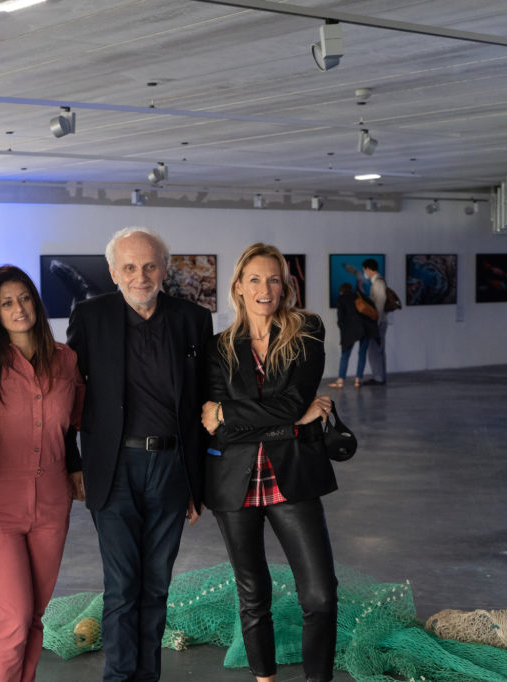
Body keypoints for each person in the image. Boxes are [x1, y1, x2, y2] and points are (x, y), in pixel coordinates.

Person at [66, 226, 213, 682]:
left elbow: (205, 400)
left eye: (150, 265)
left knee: (156, 586)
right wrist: (73, 464)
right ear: (113, 272)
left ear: (165, 269)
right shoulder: (90, 317)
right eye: (129, 267)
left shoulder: (192, 318)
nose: (141, 275)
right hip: (114, 469)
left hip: (172, 468)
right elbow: (67, 398)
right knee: (123, 587)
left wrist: (198, 483)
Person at [201, 242, 339, 682]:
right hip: (232, 484)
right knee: (252, 593)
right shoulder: (220, 347)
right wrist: (292, 421)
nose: (266, 288)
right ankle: (265, 679)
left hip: (291, 479)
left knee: (320, 595)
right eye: (255, 279)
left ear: (286, 285)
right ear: (238, 287)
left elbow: (292, 401)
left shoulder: (306, 331)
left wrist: (229, 412)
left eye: (274, 279)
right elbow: (225, 427)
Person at [0, 265, 85, 682]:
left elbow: (71, 424)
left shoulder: (67, 360)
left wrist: (75, 468)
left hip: (53, 503)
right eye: (6, 303)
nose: (18, 308)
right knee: (12, 618)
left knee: (35, 615)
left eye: (24, 298)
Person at [328, 282, 374, 388]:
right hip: (365, 328)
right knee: (362, 354)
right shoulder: (359, 295)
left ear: (341, 291)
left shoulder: (341, 299)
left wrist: (343, 333)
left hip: (350, 330)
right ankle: (358, 380)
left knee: (345, 354)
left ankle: (340, 381)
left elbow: (340, 319)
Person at [362, 258, 388, 386]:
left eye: (364, 270)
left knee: (374, 350)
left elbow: (380, 304)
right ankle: (380, 376)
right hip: (379, 322)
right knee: (378, 350)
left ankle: (378, 377)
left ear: (367, 269)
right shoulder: (379, 282)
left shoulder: (378, 283)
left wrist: (375, 323)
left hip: (377, 323)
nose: (364, 273)